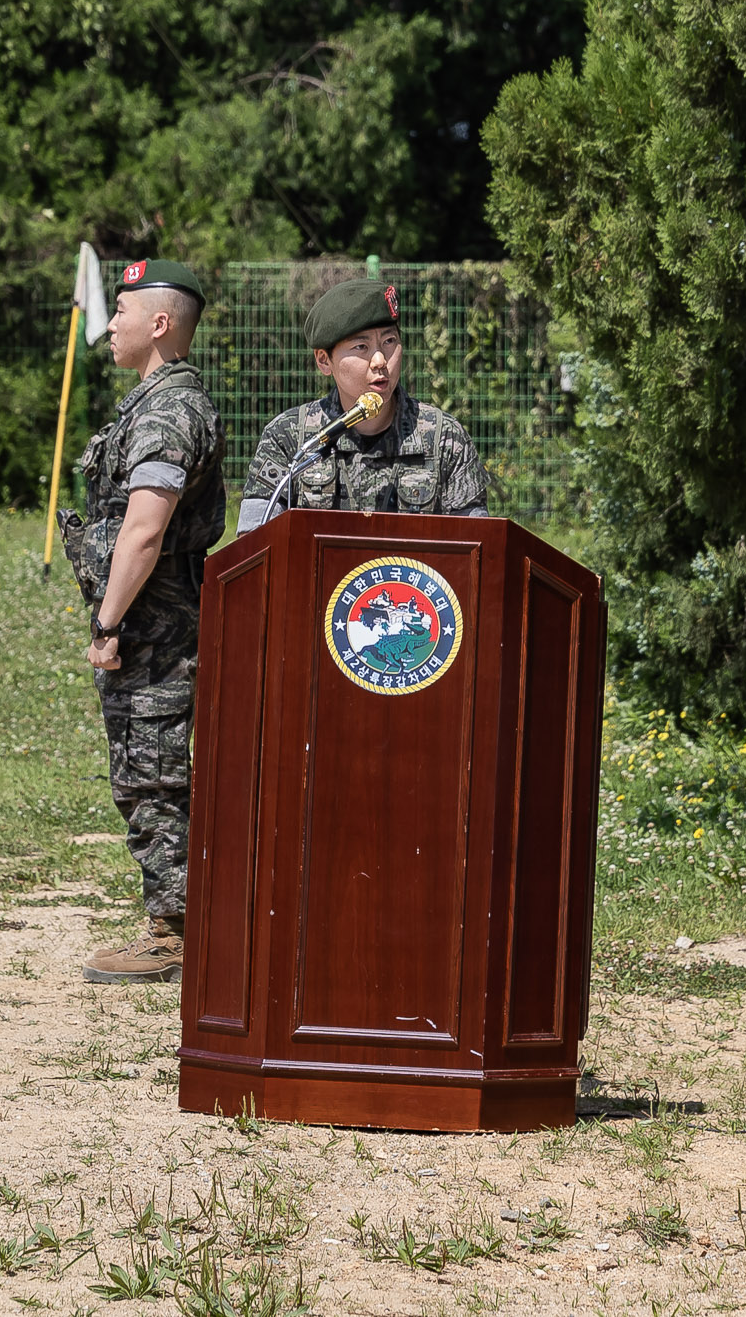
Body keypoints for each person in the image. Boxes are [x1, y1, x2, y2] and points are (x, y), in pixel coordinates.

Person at [67, 259, 225, 984]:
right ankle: (174, 923)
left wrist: (107, 622)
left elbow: (143, 531)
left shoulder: (168, 412)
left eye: (121, 311)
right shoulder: (152, 403)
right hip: (152, 627)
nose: (109, 325)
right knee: (144, 768)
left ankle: (176, 936)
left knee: (153, 772)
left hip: (156, 632)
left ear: (160, 323)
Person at [236, 277, 488, 532]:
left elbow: (477, 545)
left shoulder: (443, 437)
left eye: (389, 342)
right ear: (324, 361)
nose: (380, 360)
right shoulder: (291, 438)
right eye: (361, 346)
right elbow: (254, 548)